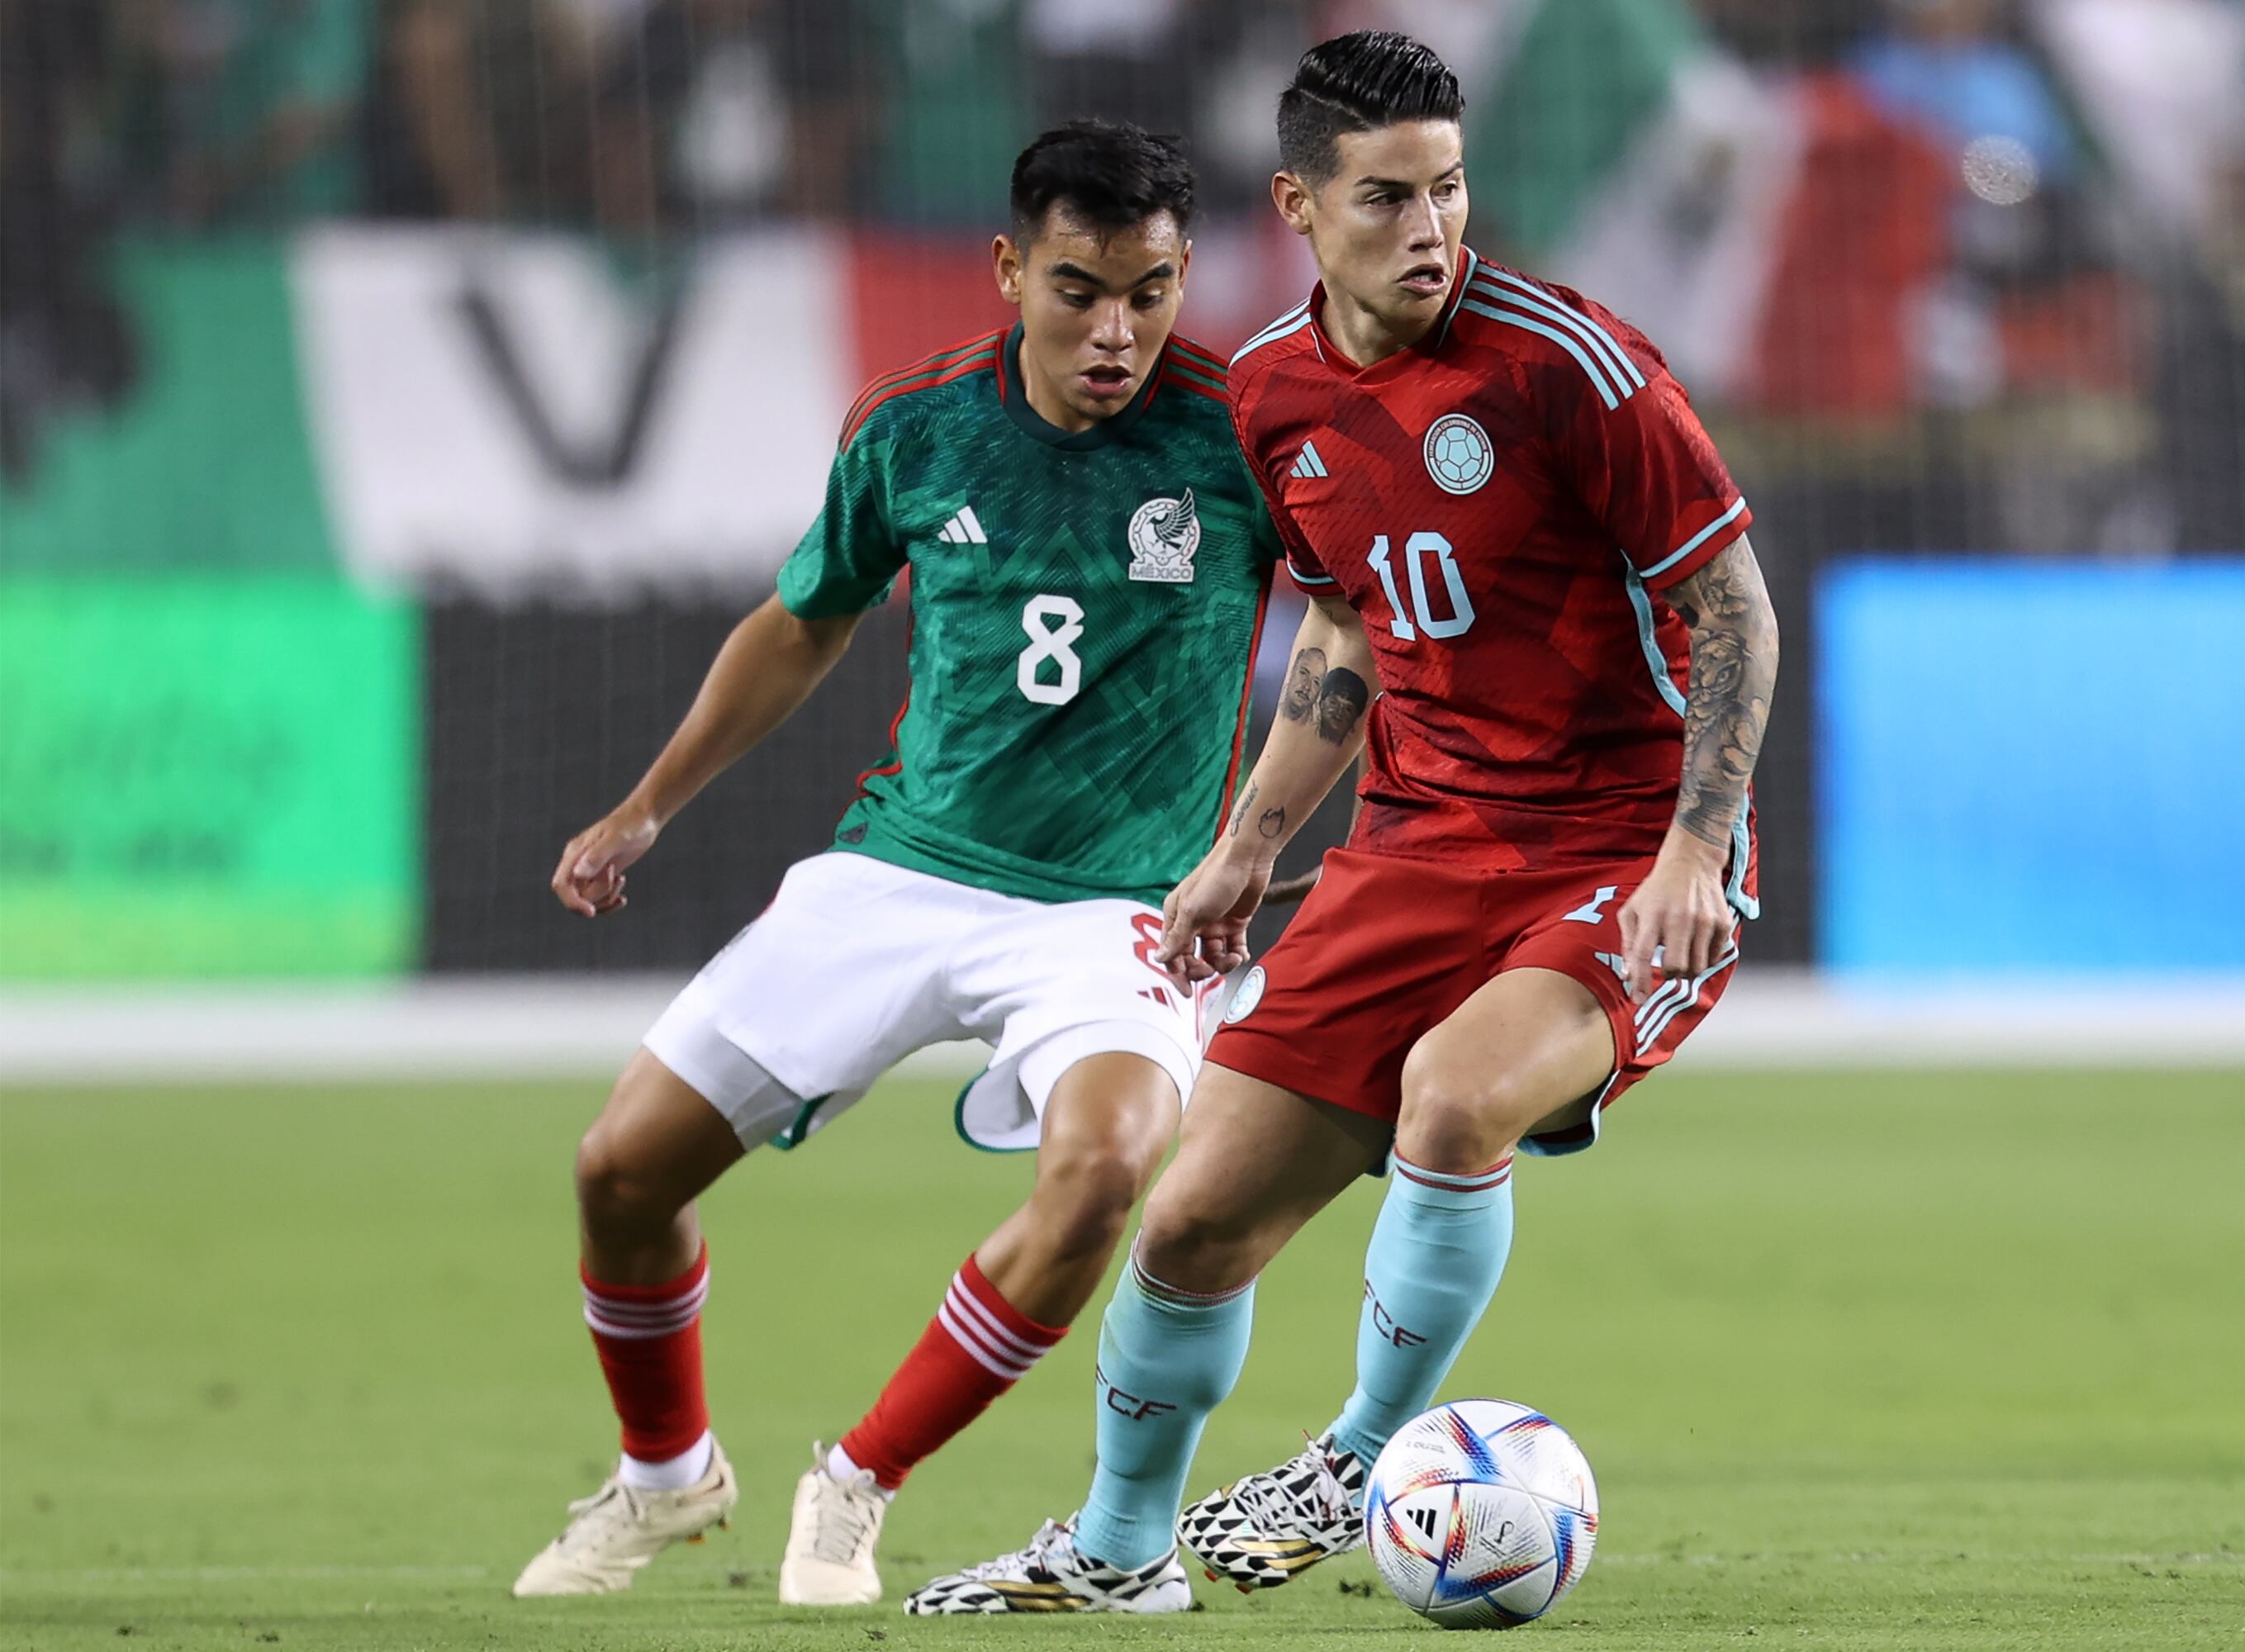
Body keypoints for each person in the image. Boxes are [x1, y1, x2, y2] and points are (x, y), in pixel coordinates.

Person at [908, 31, 1778, 1616]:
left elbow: (1732, 605)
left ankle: (1361, 1454)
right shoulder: (1272, 396)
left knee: (1455, 1100)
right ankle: (1116, 1555)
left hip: (1618, 848)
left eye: (1449, 188)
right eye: (1388, 197)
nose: (1432, 227)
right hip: (1415, 845)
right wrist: (1247, 846)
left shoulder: (1575, 371)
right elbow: (1344, 632)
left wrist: (1695, 854)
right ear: (1299, 205)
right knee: (1185, 1224)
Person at [510, 119, 1278, 1608]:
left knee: (1106, 1170)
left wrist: (1261, 844)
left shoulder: (1244, 431)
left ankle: (855, 1480)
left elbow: (1365, 628)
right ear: (1008, 269)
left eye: (1152, 289)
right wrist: (645, 807)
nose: (1116, 331)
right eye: (1078, 289)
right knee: (619, 1170)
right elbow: (805, 620)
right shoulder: (917, 426)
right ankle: (667, 1478)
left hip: (1125, 903)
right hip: (904, 872)